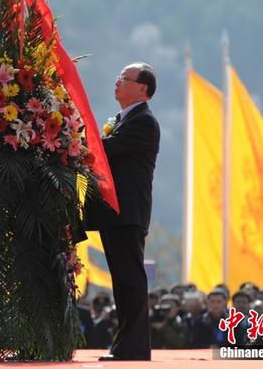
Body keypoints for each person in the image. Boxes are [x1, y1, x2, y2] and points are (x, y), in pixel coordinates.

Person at [86, 62, 160, 361]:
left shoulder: (143, 122)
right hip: (114, 212)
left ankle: (134, 347)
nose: (117, 82)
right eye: (118, 76)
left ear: (142, 88)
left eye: (124, 78)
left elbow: (106, 150)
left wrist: (78, 142)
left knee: (130, 279)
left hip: (129, 212)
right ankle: (127, 345)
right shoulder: (121, 119)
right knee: (122, 280)